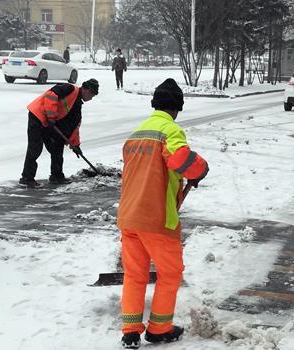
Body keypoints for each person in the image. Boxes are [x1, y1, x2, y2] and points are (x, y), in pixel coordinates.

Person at [117, 78, 209, 349]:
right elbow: (182, 160)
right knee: (170, 274)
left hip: (128, 215)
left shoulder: (136, 133)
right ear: (177, 108)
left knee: (135, 275)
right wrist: (200, 169)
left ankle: (131, 331)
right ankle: (159, 329)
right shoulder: (170, 130)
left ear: (154, 104)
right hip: (156, 218)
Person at [19, 79, 99, 187]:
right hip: (37, 116)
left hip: (49, 122)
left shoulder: (77, 105)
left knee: (57, 146)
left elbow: (74, 127)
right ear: (85, 89)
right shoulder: (70, 88)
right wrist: (51, 116)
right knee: (35, 148)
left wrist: (76, 145)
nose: (91, 98)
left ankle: (56, 176)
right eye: (92, 94)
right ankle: (27, 178)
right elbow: (51, 94)